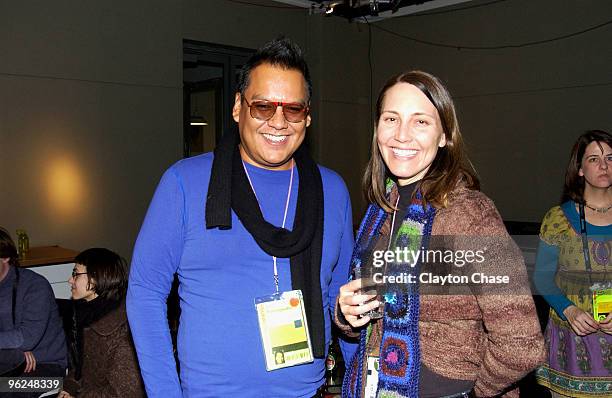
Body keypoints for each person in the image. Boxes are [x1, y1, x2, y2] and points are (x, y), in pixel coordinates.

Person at [127, 37, 356, 397]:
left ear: (308, 116)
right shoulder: (184, 183)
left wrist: (361, 385)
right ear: (238, 108)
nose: (278, 122)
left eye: (293, 109)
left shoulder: (333, 191)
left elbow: (343, 300)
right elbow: (144, 293)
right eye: (263, 106)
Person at [335, 71, 546, 398]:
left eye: (420, 122)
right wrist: (347, 314)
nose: (401, 135)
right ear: (377, 128)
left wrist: (473, 393)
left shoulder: (469, 215)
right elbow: (376, 317)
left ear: (444, 136)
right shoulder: (382, 210)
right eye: (391, 118)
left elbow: (522, 345)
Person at [534, 130, 612, 397]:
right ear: (579, 169)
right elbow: (542, 278)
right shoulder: (558, 218)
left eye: (611, 158)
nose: (604, 165)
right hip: (572, 345)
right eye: (594, 159)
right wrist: (569, 311)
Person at [59, 248, 144, 397]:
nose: (70, 280)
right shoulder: (82, 315)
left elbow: (125, 393)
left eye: (75, 274)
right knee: (9, 386)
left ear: (96, 278)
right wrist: (69, 388)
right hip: (85, 392)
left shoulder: (121, 332)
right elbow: (79, 368)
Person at [0, 227, 67, 397]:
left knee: (5, 390)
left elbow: (26, 338)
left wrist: (19, 345)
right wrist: (15, 349)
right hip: (10, 363)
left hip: (50, 370)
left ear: (5, 256)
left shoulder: (35, 286)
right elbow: (18, 340)